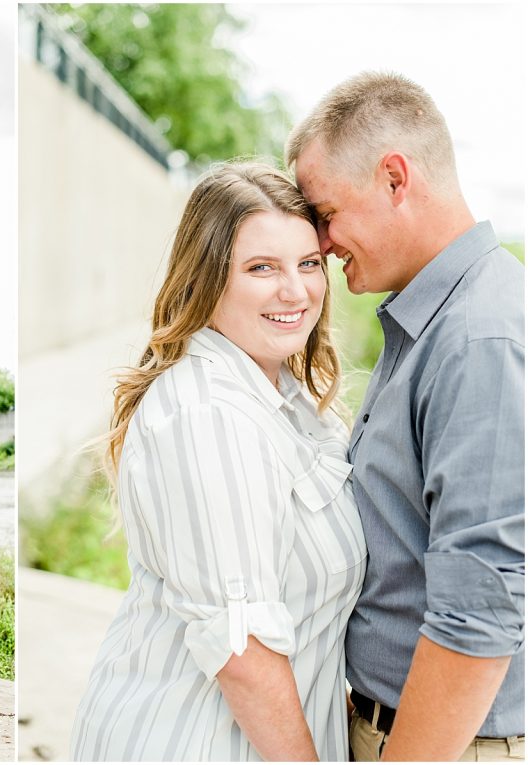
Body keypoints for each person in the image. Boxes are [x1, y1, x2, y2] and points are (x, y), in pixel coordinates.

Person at [70, 162, 367, 761]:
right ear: (208, 279)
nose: (297, 290)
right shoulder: (209, 414)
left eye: (309, 264)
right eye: (262, 268)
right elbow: (243, 654)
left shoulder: (285, 395)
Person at [285, 71, 524, 762]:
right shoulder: (431, 318)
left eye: (327, 213)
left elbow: (479, 606)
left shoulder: (479, 336)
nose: (323, 243)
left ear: (395, 179)